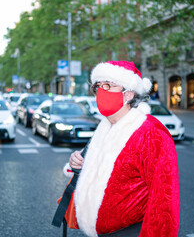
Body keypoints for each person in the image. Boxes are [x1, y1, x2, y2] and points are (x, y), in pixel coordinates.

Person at [61, 61, 180, 237]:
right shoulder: (105, 126)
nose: (101, 91)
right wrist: (77, 164)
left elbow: (164, 202)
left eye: (109, 86)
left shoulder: (151, 133)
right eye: (99, 86)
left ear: (128, 95)